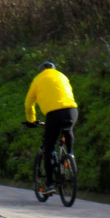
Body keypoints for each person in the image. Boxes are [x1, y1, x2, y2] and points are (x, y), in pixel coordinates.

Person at [22, 61, 78, 193]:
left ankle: (50, 184)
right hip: (72, 110)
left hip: (54, 114)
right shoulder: (62, 76)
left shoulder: (38, 79)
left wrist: (31, 120)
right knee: (67, 129)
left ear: (41, 70)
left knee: (49, 148)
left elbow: (28, 104)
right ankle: (70, 157)